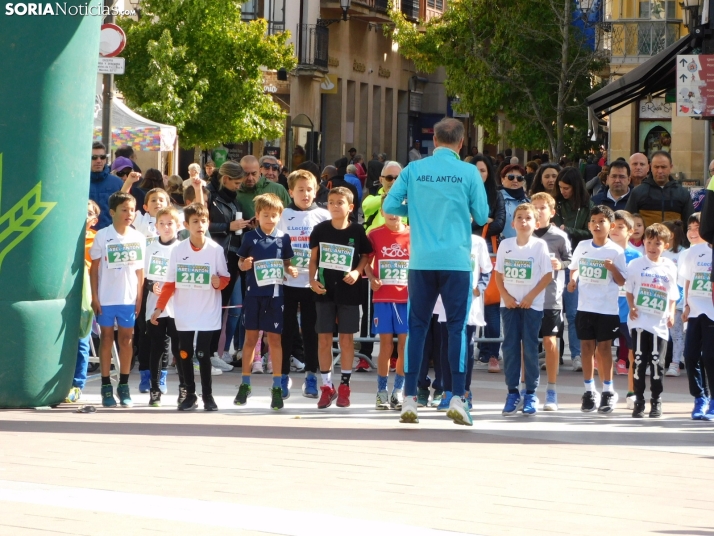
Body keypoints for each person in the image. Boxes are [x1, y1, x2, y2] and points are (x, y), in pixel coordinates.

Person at [384, 117, 489, 426]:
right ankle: (457, 396)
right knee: (457, 329)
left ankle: (410, 399)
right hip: (456, 261)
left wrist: (413, 209)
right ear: (460, 143)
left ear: (434, 141)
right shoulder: (469, 172)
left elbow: (390, 206)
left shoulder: (414, 169)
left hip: (421, 261)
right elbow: (482, 214)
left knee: (417, 328)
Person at [151, 203, 230, 411]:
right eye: (195, 221)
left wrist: (218, 283)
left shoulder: (216, 250)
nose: (200, 225)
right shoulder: (178, 249)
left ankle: (208, 396)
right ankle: (190, 394)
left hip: (208, 311)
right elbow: (169, 283)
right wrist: (159, 308)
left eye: (203, 221)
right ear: (186, 225)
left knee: (203, 352)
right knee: (184, 352)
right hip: (184, 311)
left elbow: (225, 278)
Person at [309, 187, 373, 409]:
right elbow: (313, 259)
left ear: (350, 207)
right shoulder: (320, 230)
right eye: (331, 202)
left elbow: (365, 255)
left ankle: (345, 386)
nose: (335, 206)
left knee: (346, 340)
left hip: (349, 292)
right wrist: (311, 279)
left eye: (340, 202)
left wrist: (357, 271)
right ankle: (326, 386)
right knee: (324, 339)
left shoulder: (357, 230)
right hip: (325, 291)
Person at [233, 194, 297, 410]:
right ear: (257, 216)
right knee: (251, 339)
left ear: (280, 216)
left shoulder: (283, 238)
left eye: (274, 215)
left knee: (275, 340)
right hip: (253, 295)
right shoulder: (250, 238)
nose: (270, 219)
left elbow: (287, 263)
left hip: (275, 296)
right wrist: (245, 264)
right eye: (265, 215)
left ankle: (277, 386)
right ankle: (245, 383)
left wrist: (291, 269)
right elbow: (240, 262)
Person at [567, 205, 627, 414]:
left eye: (602, 221)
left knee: (603, 350)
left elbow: (622, 281)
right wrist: (572, 280)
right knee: (586, 348)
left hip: (607, 309)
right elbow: (574, 267)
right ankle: (588, 390)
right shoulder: (582, 246)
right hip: (585, 306)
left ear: (610, 225)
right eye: (593, 221)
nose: (597, 225)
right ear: (589, 224)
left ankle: (608, 391)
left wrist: (612, 268)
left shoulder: (616, 251)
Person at [277, 170, 331, 399]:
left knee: (311, 332)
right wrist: (285, 264)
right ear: (291, 192)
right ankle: (282, 377)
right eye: (300, 190)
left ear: (316, 190)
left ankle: (311, 376)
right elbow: (276, 244)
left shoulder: (323, 215)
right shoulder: (283, 215)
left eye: (309, 189)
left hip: (312, 285)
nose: (306, 194)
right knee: (285, 332)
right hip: (287, 283)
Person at [495, 203, 553, 416]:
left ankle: (530, 393)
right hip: (509, 305)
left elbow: (548, 275)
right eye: (519, 217)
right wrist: (506, 297)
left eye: (528, 218)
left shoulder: (539, 246)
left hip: (532, 306)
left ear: (536, 223)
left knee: (530, 348)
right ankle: (512, 393)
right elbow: (498, 275)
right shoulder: (505, 245)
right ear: (513, 222)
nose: (523, 221)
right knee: (509, 348)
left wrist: (530, 297)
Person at [89, 191, 146, 408]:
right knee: (106, 339)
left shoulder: (138, 237)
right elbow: (94, 269)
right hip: (106, 297)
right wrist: (95, 296)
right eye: (124, 210)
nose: (129, 214)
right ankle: (105, 386)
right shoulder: (102, 236)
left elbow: (140, 271)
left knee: (126, 340)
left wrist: (139, 297)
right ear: (112, 212)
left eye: (132, 210)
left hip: (128, 298)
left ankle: (124, 385)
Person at [625, 223, 679, 418]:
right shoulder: (636, 265)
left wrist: (671, 312)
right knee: (639, 360)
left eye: (657, 243)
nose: (652, 247)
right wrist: (631, 306)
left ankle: (656, 400)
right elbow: (629, 290)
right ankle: (639, 399)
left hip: (659, 322)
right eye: (649, 242)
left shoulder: (669, 266)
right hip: (640, 320)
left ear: (665, 245)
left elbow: (672, 294)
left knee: (657, 362)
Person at [365, 205, 410, 410]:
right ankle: (381, 391)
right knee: (386, 346)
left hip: (407, 299)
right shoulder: (374, 234)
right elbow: (366, 260)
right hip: (383, 298)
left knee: (404, 347)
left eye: (398, 211)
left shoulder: (413, 233)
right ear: (382, 212)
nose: (393, 215)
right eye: (388, 210)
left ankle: (398, 391)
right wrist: (372, 278)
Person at [530, 193, 572, 411]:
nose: (538, 212)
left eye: (542, 208)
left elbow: (571, 261)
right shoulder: (524, 234)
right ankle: (526, 390)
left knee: (550, 342)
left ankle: (552, 390)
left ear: (552, 212)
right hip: (527, 298)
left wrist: (561, 265)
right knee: (526, 344)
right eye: (534, 207)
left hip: (551, 297)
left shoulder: (559, 237)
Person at [553, 167, 592, 372]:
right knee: (554, 311)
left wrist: (568, 230)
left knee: (574, 312)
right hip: (556, 261)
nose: (563, 191)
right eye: (560, 187)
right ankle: (554, 354)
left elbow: (589, 232)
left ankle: (577, 355)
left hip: (576, 261)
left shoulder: (587, 205)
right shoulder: (557, 205)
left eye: (566, 188)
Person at [144, 206, 184, 407]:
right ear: (156, 226)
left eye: (170, 223)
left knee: (179, 348)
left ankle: (184, 388)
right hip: (155, 307)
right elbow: (144, 277)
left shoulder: (183, 247)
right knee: (157, 348)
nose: (166, 227)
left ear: (178, 226)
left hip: (177, 307)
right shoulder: (150, 248)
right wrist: (153, 285)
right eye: (162, 223)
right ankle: (154, 389)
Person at [471, 154, 505, 373]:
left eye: (483, 170)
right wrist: (483, 221)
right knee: (469, 300)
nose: (479, 174)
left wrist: (478, 222)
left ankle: (492, 352)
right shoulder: (463, 192)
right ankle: (473, 350)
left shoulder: (496, 195)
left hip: (490, 250)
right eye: (475, 170)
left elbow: (499, 223)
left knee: (491, 303)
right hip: (467, 249)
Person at [65, 201, 101, 404]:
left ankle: (77, 384)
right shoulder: (65, 236)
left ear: (94, 220)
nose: (84, 215)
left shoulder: (96, 240)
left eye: (88, 213)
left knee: (81, 340)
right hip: (64, 296)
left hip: (85, 298)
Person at [680, 214, 714, 420]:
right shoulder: (692, 253)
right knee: (691, 355)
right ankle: (700, 397)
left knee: (710, 356)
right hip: (694, 310)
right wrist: (685, 304)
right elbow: (688, 280)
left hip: (712, 312)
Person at [607, 210, 642, 409]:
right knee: (603, 352)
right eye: (613, 226)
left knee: (632, 353)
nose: (616, 230)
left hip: (628, 312)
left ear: (630, 231)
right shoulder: (601, 251)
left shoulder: (636, 256)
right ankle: (607, 390)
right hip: (605, 309)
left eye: (621, 226)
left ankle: (632, 391)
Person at [625, 151, 694, 228]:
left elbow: (690, 224)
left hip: (675, 239)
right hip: (647, 239)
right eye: (656, 167)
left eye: (663, 167)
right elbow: (628, 221)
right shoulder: (638, 192)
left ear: (671, 167)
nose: (660, 171)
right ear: (650, 167)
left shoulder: (682, 193)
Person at [661, 220, 687, 377]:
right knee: (660, 333)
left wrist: (681, 300)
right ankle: (656, 362)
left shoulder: (683, 253)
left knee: (676, 334)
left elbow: (685, 279)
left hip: (676, 300)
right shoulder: (659, 251)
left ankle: (675, 363)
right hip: (658, 299)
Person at [89, 142, 123, 230]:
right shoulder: (79, 183)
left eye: (102, 157)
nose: (99, 160)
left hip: (111, 236)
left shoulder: (117, 183)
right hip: (85, 237)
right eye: (94, 157)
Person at [362, 161, 404, 233]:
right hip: (374, 243)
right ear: (381, 180)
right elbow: (366, 206)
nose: (393, 182)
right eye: (389, 178)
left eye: (397, 178)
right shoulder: (371, 199)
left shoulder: (410, 202)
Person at [500, 164, 530, 240]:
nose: (515, 180)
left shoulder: (528, 201)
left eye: (519, 178)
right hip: (501, 246)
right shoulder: (496, 199)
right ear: (502, 179)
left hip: (526, 246)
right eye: (511, 177)